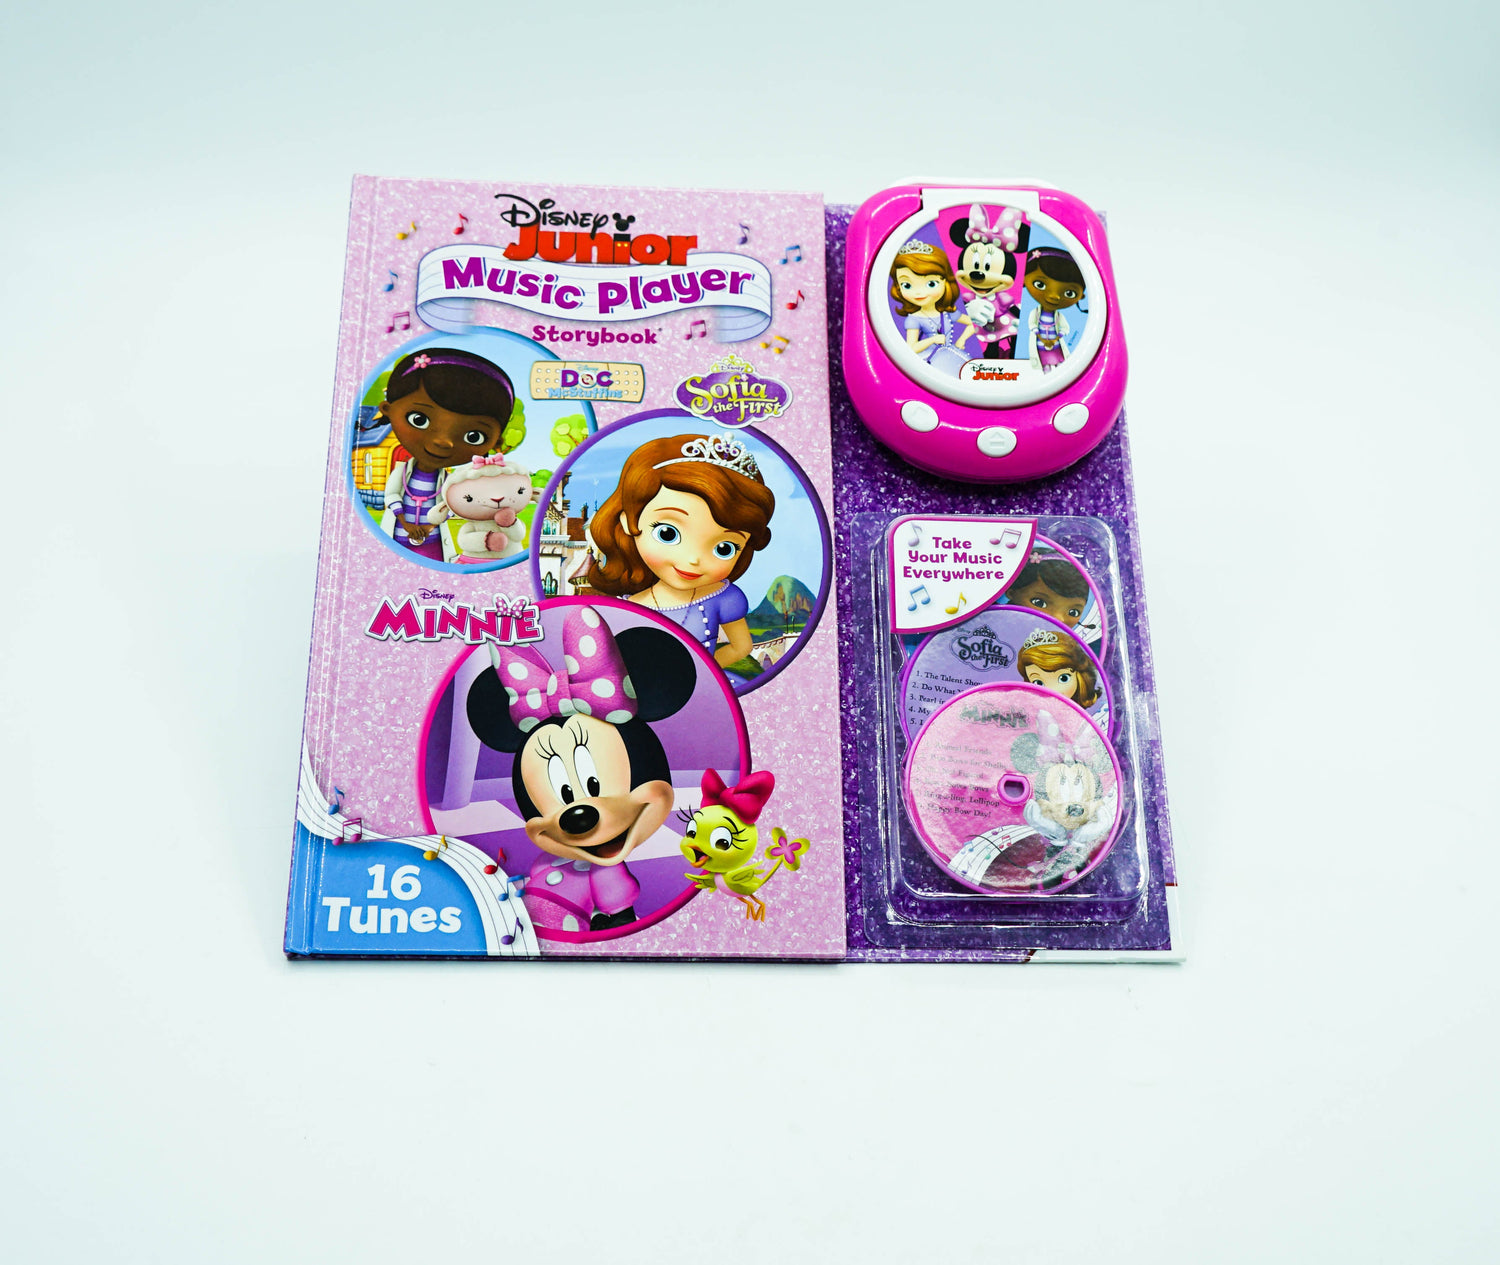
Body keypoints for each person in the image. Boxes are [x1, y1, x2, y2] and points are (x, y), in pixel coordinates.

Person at [586, 433, 775, 670]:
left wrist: (702, 674)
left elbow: (741, 647)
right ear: (628, 521)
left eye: (724, 548)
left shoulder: (723, 597)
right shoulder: (627, 609)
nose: (693, 559)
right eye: (668, 533)